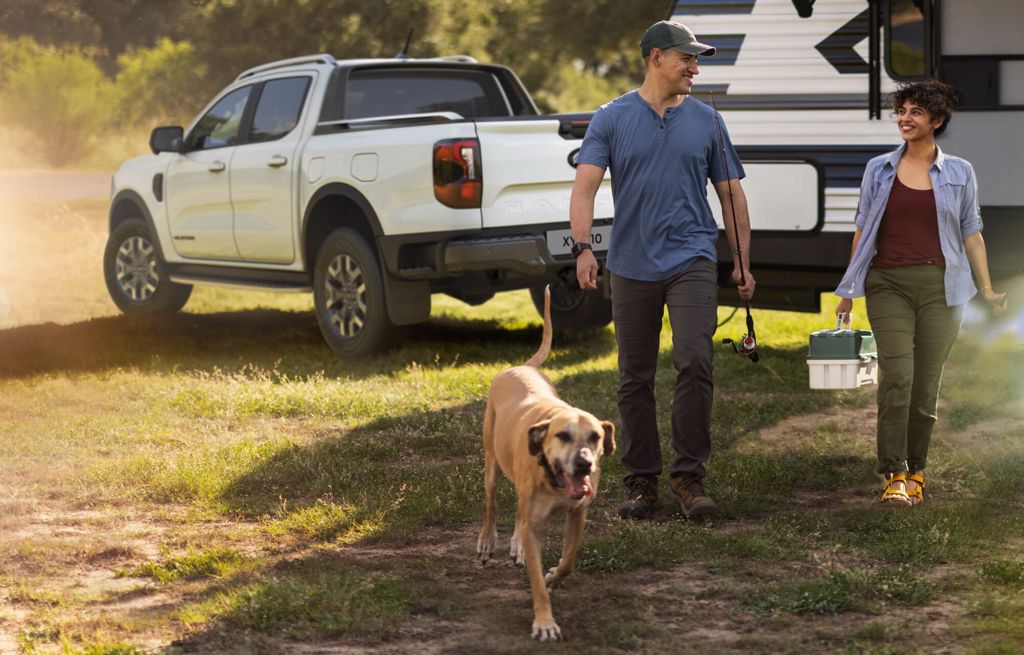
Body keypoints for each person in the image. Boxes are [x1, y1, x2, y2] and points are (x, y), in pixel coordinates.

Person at [569, 20, 755, 520]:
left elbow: (731, 193)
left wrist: (741, 260)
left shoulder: (708, 121)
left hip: (692, 256)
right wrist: (583, 248)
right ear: (656, 58)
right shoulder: (610, 117)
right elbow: (585, 187)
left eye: (697, 60)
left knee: (695, 360)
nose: (695, 67)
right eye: (687, 59)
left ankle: (688, 477)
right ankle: (641, 481)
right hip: (630, 262)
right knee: (635, 375)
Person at [834, 80, 1008, 506]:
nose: (905, 119)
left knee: (926, 384)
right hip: (887, 284)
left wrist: (985, 289)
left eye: (915, 112)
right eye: (901, 111)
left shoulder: (960, 171)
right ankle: (893, 472)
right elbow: (862, 230)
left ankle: (916, 470)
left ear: (937, 120)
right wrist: (847, 290)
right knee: (899, 377)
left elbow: (972, 233)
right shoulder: (878, 168)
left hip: (942, 290)